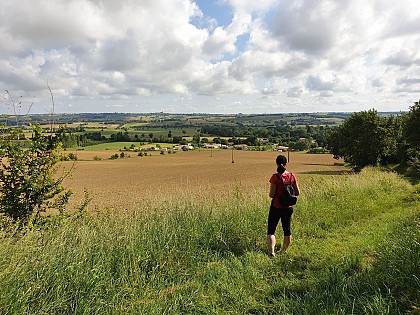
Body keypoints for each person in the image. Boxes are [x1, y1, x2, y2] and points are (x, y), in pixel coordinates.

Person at [267, 154, 300, 257]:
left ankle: (271, 252)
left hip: (276, 207)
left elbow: (272, 195)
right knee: (287, 230)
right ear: (286, 164)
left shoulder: (275, 177)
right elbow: (297, 192)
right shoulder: (292, 176)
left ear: (276, 163)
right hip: (288, 208)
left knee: (271, 231)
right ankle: (283, 251)